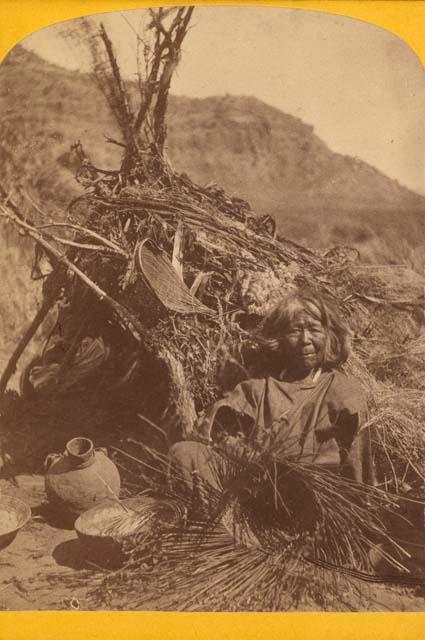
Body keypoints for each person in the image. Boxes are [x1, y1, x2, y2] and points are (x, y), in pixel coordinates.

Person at [169, 290, 375, 498]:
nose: (305, 340)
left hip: (303, 493)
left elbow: (355, 465)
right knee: (185, 453)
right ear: (280, 339)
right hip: (252, 481)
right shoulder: (260, 387)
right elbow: (216, 430)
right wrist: (250, 457)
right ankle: (220, 515)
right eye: (295, 331)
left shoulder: (343, 391)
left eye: (314, 329)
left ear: (329, 335)